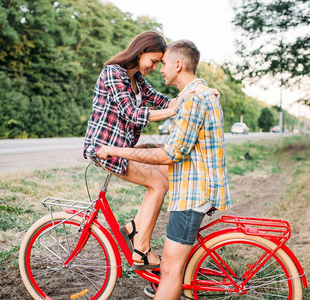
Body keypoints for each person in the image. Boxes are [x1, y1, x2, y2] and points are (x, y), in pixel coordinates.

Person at [97, 39, 231, 299]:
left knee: (170, 269)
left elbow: (169, 153)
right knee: (158, 184)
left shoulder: (193, 100)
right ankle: (137, 234)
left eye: (164, 63)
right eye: (157, 62)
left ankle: (139, 241)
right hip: (198, 186)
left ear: (178, 64)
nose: (160, 68)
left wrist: (115, 150)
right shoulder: (194, 96)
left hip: (194, 193)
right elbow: (170, 129)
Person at [84, 31, 180, 270]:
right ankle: (141, 250)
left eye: (159, 63)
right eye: (154, 61)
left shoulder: (137, 79)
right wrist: (171, 113)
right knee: (158, 185)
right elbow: (132, 114)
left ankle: (133, 228)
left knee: (168, 171)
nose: (155, 67)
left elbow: (164, 101)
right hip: (105, 148)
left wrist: (198, 94)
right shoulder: (113, 73)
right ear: (141, 51)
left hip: (123, 149)